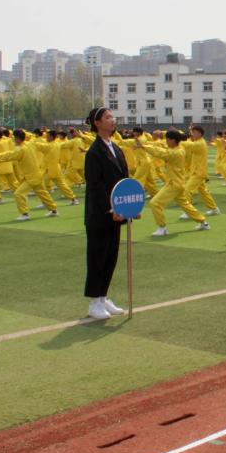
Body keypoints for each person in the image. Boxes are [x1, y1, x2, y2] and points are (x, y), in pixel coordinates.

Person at [82, 108, 131, 320]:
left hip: (117, 211)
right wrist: (111, 208)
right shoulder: (94, 152)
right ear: (97, 123)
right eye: (108, 117)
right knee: (97, 257)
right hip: (101, 214)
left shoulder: (115, 147)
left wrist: (129, 207)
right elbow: (96, 185)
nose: (113, 120)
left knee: (111, 256)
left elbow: (124, 180)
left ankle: (103, 297)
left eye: (112, 117)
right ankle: (94, 301)